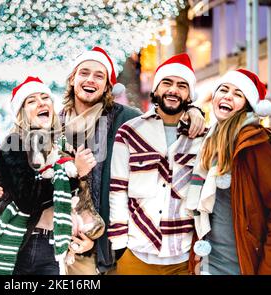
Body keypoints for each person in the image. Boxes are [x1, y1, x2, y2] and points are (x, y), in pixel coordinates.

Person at [60, 47, 206, 275]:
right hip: (68, 241)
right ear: (72, 79)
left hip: (113, 248)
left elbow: (165, 116)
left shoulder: (126, 120)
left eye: (99, 75)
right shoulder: (55, 126)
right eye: (84, 73)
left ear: (108, 85)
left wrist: (194, 110)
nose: (90, 80)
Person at [0, 76, 95, 275]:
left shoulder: (64, 147)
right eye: (31, 101)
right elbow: (28, 200)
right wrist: (75, 175)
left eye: (45, 98)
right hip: (22, 243)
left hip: (54, 246)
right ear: (22, 113)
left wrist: (89, 236)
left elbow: (83, 198)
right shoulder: (14, 144)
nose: (41, 103)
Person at [108, 53, 207, 275]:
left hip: (183, 256)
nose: (173, 90)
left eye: (182, 85)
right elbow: (117, 191)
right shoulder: (130, 133)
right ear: (156, 90)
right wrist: (119, 245)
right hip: (135, 253)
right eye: (167, 83)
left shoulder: (203, 138)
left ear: (190, 94)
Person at [187, 69, 271, 275]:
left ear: (247, 106)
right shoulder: (208, 143)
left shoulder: (256, 145)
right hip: (208, 264)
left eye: (238, 94)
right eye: (224, 89)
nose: (228, 95)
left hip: (241, 266)